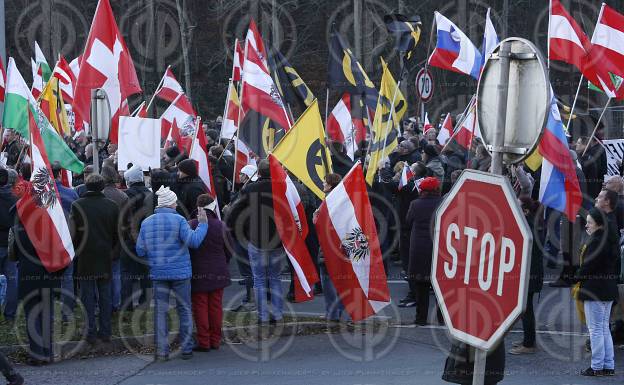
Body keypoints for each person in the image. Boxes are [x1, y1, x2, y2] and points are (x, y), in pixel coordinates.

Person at [136, 186, 208, 361]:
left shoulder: (146, 223)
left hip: (158, 273)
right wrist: (203, 224)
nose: (176, 205)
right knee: (184, 309)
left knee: (160, 311)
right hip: (181, 273)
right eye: (175, 202)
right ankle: (186, 348)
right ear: (171, 204)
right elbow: (194, 242)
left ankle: (162, 350)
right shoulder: (180, 220)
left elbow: (140, 250)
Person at [226, 159, 285, 326]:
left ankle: (263, 316)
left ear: (258, 173)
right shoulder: (281, 187)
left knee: (259, 278)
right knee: (275, 277)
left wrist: (232, 228)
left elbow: (235, 210)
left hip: (256, 237)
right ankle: (278, 314)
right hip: (277, 239)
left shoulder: (250, 189)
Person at [70, 174, 120, 345]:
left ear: (86, 186)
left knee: (87, 296)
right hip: (105, 254)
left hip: (85, 256)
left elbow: (73, 233)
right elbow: (117, 233)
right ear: (102, 186)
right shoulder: (112, 206)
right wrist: (113, 251)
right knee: (105, 295)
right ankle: (105, 331)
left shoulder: (77, 205)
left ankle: (90, 332)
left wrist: (75, 251)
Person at [574, 208, 617, 376]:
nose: (587, 225)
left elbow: (587, 268)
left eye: (590, 222)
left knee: (596, 329)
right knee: (603, 328)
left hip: (594, 290)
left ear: (598, 224)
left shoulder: (595, 242)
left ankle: (597, 366)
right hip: (607, 289)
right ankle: (608, 364)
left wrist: (573, 278)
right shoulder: (609, 240)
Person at [189, 194, 231, 351]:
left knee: (200, 307)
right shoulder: (222, 226)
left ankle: (204, 341)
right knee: (216, 307)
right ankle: (215, 340)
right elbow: (229, 250)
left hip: (198, 272)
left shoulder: (191, 224)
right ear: (213, 207)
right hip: (218, 271)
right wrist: (223, 263)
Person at [406, 177, 443, 325]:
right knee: (441, 287)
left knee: (421, 287)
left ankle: (421, 318)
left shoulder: (415, 204)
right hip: (438, 247)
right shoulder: (443, 203)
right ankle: (442, 318)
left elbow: (408, 221)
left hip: (419, 247)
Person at [509, 197, 544, 354]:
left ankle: (529, 344)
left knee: (526, 309)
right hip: (531, 272)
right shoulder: (531, 223)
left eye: (516, 205)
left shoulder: (527, 226)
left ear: (525, 211)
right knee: (524, 309)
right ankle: (527, 340)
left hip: (530, 273)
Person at [314, 173, 349, 322]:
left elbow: (320, 223)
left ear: (330, 185)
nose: (322, 184)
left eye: (324, 182)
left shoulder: (329, 201)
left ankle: (332, 314)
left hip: (328, 247)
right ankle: (338, 311)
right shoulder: (342, 200)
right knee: (339, 282)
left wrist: (315, 215)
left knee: (328, 283)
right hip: (341, 246)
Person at [120, 164, 153, 313]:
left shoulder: (126, 194)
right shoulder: (151, 194)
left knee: (127, 272)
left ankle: (127, 305)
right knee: (146, 273)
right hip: (148, 238)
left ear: (129, 181)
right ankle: (145, 303)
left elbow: (124, 218)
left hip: (130, 238)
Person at [51, 163, 80, 322]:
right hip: (68, 239)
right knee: (67, 277)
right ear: (59, 173)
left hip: (49, 240)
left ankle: (46, 313)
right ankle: (67, 312)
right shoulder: (72, 193)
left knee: (48, 275)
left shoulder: (44, 194)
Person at [100, 166, 128, 313]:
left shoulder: (100, 195)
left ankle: (105, 304)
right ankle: (115, 303)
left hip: (101, 238)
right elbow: (128, 221)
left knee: (104, 274)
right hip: (118, 239)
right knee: (116, 273)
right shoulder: (123, 196)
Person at [0, 169, 17, 324]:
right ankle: (10, 314)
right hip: (11, 244)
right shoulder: (15, 199)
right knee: (12, 279)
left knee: (12, 279)